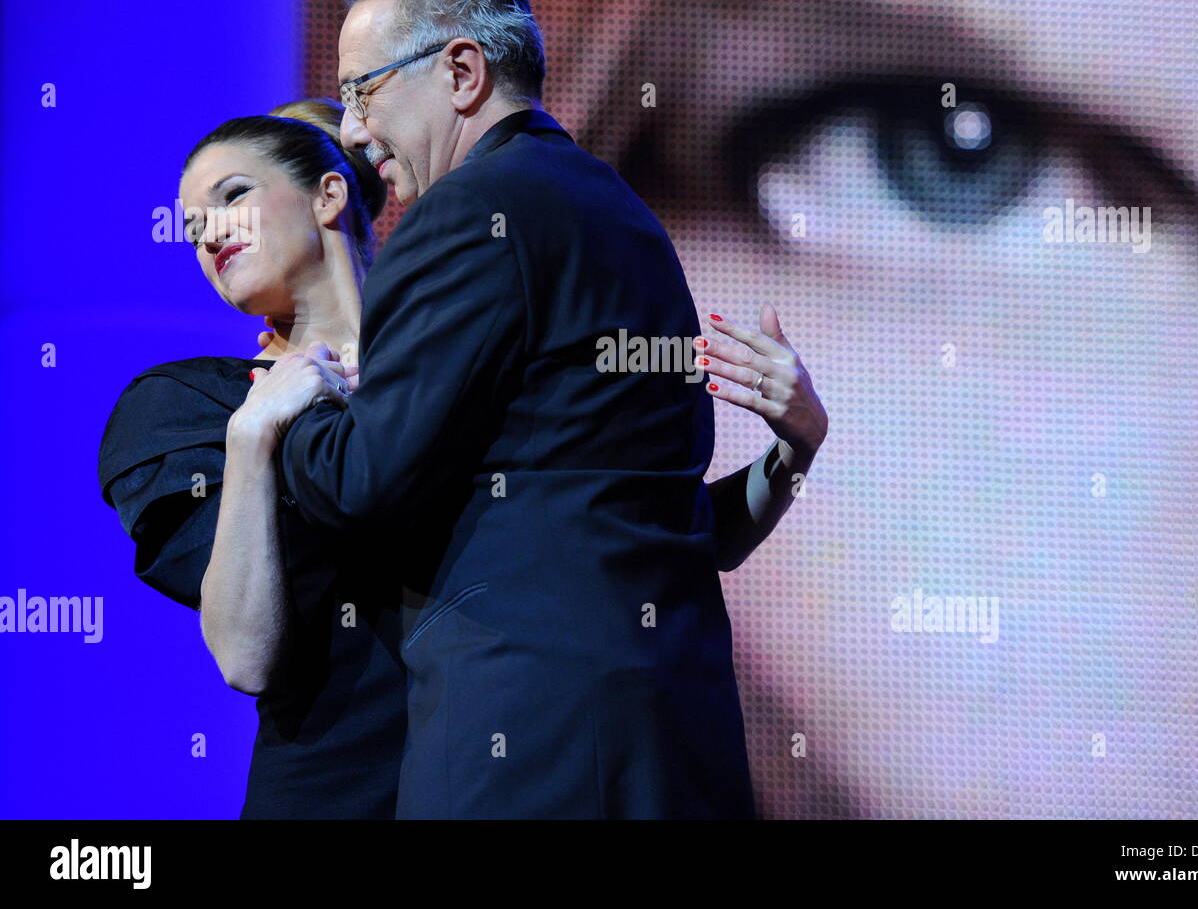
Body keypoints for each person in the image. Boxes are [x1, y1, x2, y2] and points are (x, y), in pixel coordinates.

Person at [98, 98, 827, 817]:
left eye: (233, 196)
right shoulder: (198, 406)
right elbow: (245, 659)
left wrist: (796, 447)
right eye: (193, 228)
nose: (208, 234)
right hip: (342, 793)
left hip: (523, 778)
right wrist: (255, 437)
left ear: (328, 194)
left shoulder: (471, 367)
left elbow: (666, 538)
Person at [252, 0, 812, 818]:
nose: (353, 133)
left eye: (362, 91)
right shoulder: (620, 213)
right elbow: (643, 517)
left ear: (463, 72)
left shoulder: (465, 214)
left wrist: (287, 403)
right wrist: (792, 457)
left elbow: (362, 481)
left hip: (532, 745)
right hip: (670, 739)